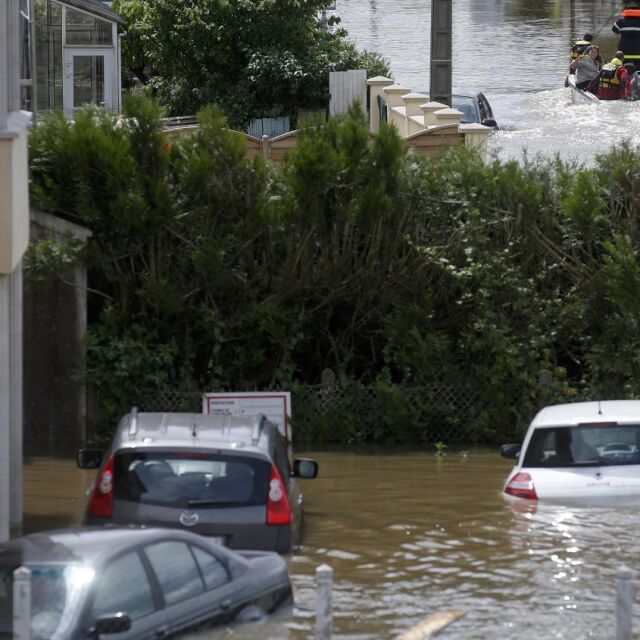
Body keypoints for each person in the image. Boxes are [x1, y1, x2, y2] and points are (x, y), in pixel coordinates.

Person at [613, 2, 640, 70]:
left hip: (624, 54)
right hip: (639, 54)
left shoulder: (621, 22)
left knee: (624, 70)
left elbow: (615, 30)